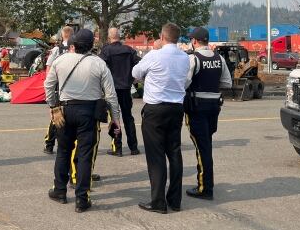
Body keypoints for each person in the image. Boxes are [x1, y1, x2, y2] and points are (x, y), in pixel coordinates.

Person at [45, 29, 121, 213]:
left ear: (73, 44)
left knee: (63, 150)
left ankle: (60, 190)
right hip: (88, 112)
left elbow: (48, 85)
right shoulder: (99, 64)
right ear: (91, 46)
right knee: (85, 155)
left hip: (65, 109)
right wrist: (115, 119)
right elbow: (110, 95)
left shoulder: (60, 60)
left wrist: (53, 106)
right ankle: (82, 198)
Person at [132, 23, 190, 214]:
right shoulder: (184, 57)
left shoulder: (154, 55)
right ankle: (175, 199)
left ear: (162, 37)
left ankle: (158, 200)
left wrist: (154, 50)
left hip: (155, 108)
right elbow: (186, 80)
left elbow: (136, 73)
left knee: (156, 156)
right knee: (174, 152)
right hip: (176, 107)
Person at [184, 27, 232, 201]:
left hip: (197, 107)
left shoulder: (193, 59)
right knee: (206, 144)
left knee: (202, 148)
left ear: (195, 41)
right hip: (214, 106)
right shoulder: (219, 58)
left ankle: (205, 187)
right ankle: (206, 184)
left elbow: (184, 82)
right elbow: (227, 83)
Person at [99, 27, 140, 156]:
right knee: (128, 117)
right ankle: (134, 147)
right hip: (126, 88)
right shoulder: (129, 50)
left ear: (109, 38)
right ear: (119, 36)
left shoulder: (106, 51)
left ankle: (117, 147)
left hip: (112, 89)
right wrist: (133, 78)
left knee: (114, 119)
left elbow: (99, 67)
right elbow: (140, 64)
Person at [43, 25, 74, 154]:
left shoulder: (57, 50)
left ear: (62, 36)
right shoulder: (76, 49)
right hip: (73, 87)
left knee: (56, 115)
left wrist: (49, 84)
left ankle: (49, 144)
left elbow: (49, 67)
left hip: (58, 87)